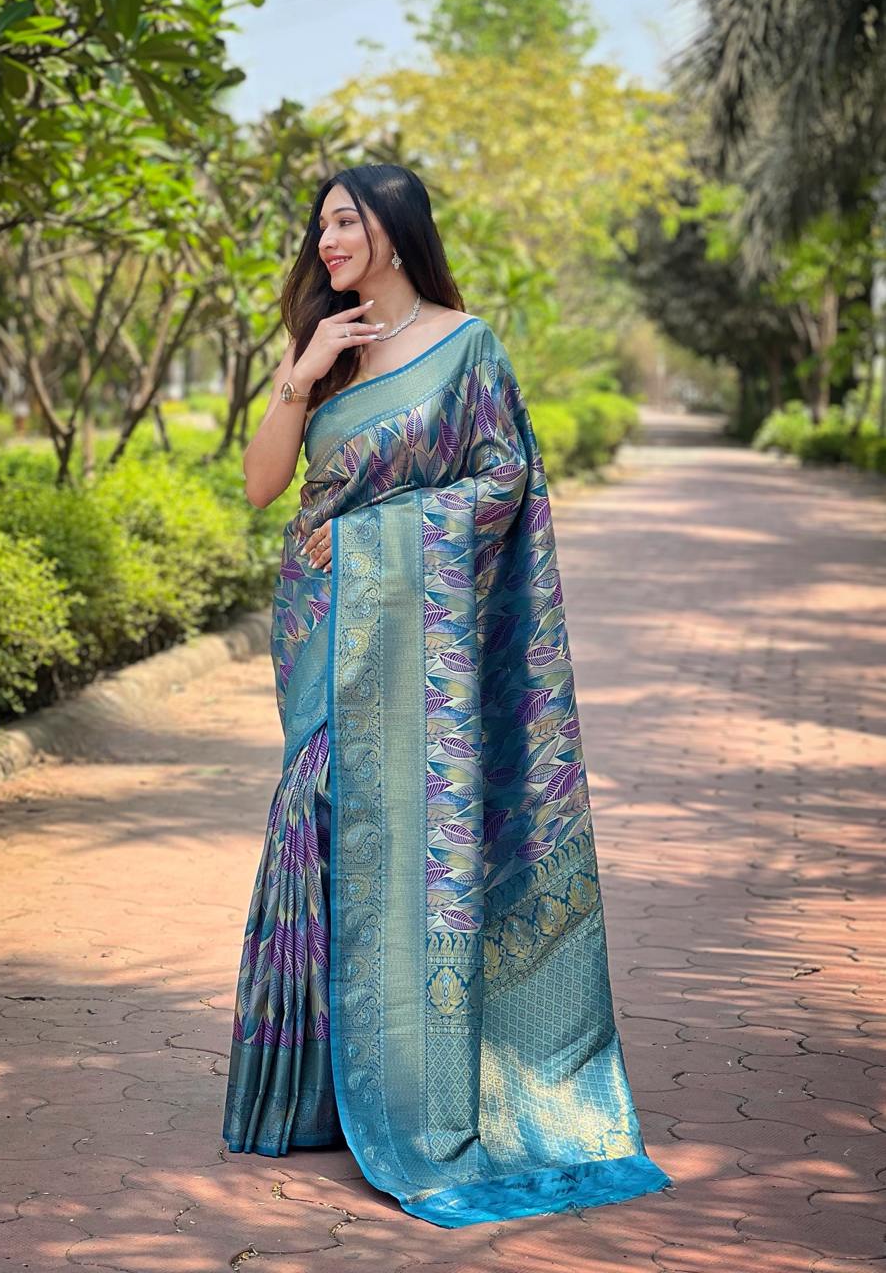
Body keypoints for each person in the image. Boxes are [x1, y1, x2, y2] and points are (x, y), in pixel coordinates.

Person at [222, 162, 672, 1226]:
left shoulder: (466, 346)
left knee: (408, 840)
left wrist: (379, 536)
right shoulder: (324, 348)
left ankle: (415, 1092)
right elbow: (261, 486)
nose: (327, 241)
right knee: (321, 825)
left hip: (408, 636)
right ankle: (314, 1095)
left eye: (346, 222)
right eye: (321, 226)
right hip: (320, 631)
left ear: (394, 229)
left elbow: (504, 480)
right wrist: (298, 378)